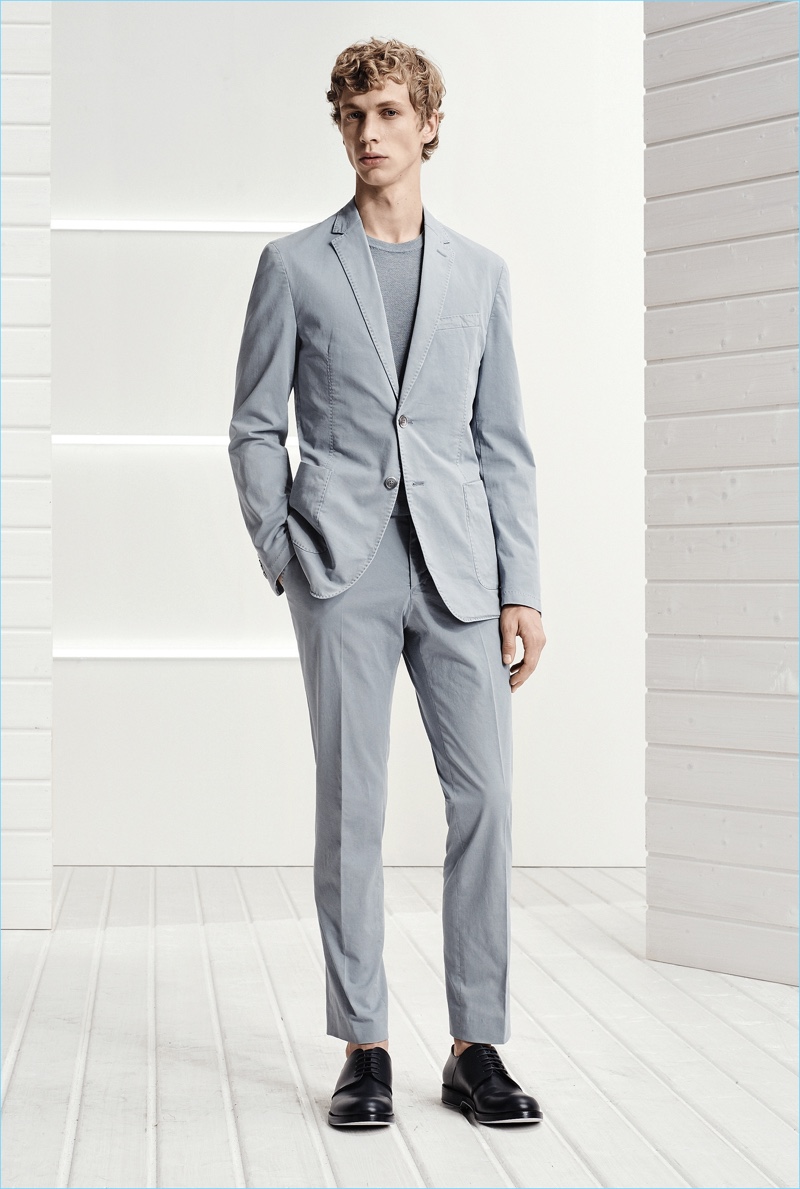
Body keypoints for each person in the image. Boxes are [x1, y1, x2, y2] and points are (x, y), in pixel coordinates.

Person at [229, 36, 546, 1129]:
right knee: (352, 806)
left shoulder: (480, 273)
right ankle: (362, 1042)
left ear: (428, 125)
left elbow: (502, 443)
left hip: (461, 571)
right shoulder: (294, 266)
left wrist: (522, 585)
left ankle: (474, 1044)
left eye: (389, 113)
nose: (370, 132)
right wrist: (285, 549)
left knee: (485, 798)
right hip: (342, 567)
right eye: (354, 115)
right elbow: (253, 425)